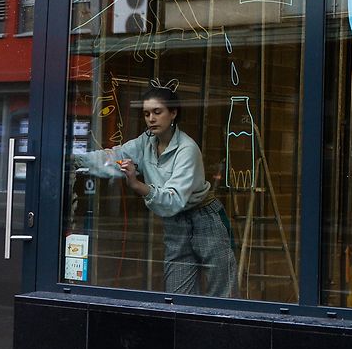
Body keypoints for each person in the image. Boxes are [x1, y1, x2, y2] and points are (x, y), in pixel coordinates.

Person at [75, 83, 235, 297]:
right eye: (146, 113)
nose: (151, 119)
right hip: (175, 221)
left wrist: (137, 185)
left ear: (173, 113)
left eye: (157, 112)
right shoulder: (146, 142)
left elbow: (173, 199)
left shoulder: (187, 149)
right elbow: (114, 157)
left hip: (205, 217)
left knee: (222, 293)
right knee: (178, 294)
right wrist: (73, 158)